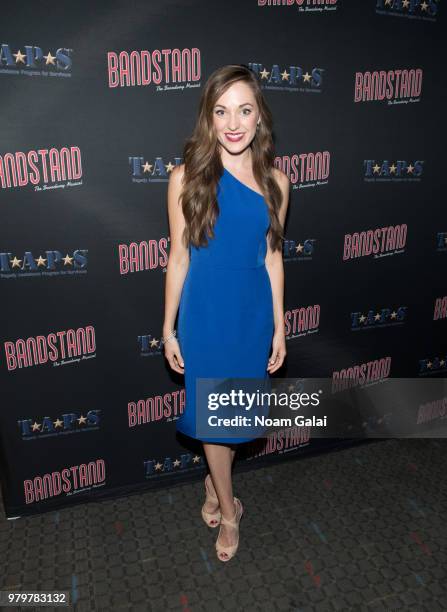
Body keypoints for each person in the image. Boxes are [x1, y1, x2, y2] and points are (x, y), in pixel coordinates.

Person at [162, 64, 289, 562]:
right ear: (208, 118)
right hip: (206, 314)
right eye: (221, 111)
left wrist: (280, 326)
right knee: (216, 421)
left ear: (260, 119)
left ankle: (215, 487)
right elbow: (178, 257)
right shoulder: (185, 178)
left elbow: (274, 257)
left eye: (244, 109)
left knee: (235, 414)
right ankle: (230, 510)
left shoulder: (278, 182)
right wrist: (168, 329)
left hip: (252, 314)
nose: (233, 122)